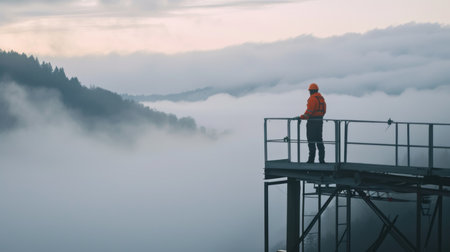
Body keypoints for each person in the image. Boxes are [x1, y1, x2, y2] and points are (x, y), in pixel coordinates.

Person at [299, 83, 326, 163]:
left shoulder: (312, 99)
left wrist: (300, 117)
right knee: (319, 140)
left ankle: (311, 160)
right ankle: (321, 160)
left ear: (311, 91)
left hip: (312, 122)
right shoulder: (321, 99)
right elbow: (323, 111)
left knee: (311, 141)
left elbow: (308, 112)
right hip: (319, 121)